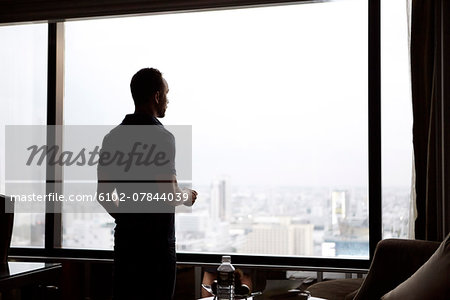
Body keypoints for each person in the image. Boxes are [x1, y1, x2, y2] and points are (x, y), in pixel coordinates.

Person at [97, 68, 197, 300]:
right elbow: (169, 195)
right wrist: (188, 196)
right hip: (157, 249)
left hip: (127, 245)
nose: (168, 101)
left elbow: (103, 195)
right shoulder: (162, 138)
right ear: (156, 96)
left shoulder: (112, 138)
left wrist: (128, 218)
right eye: (166, 93)